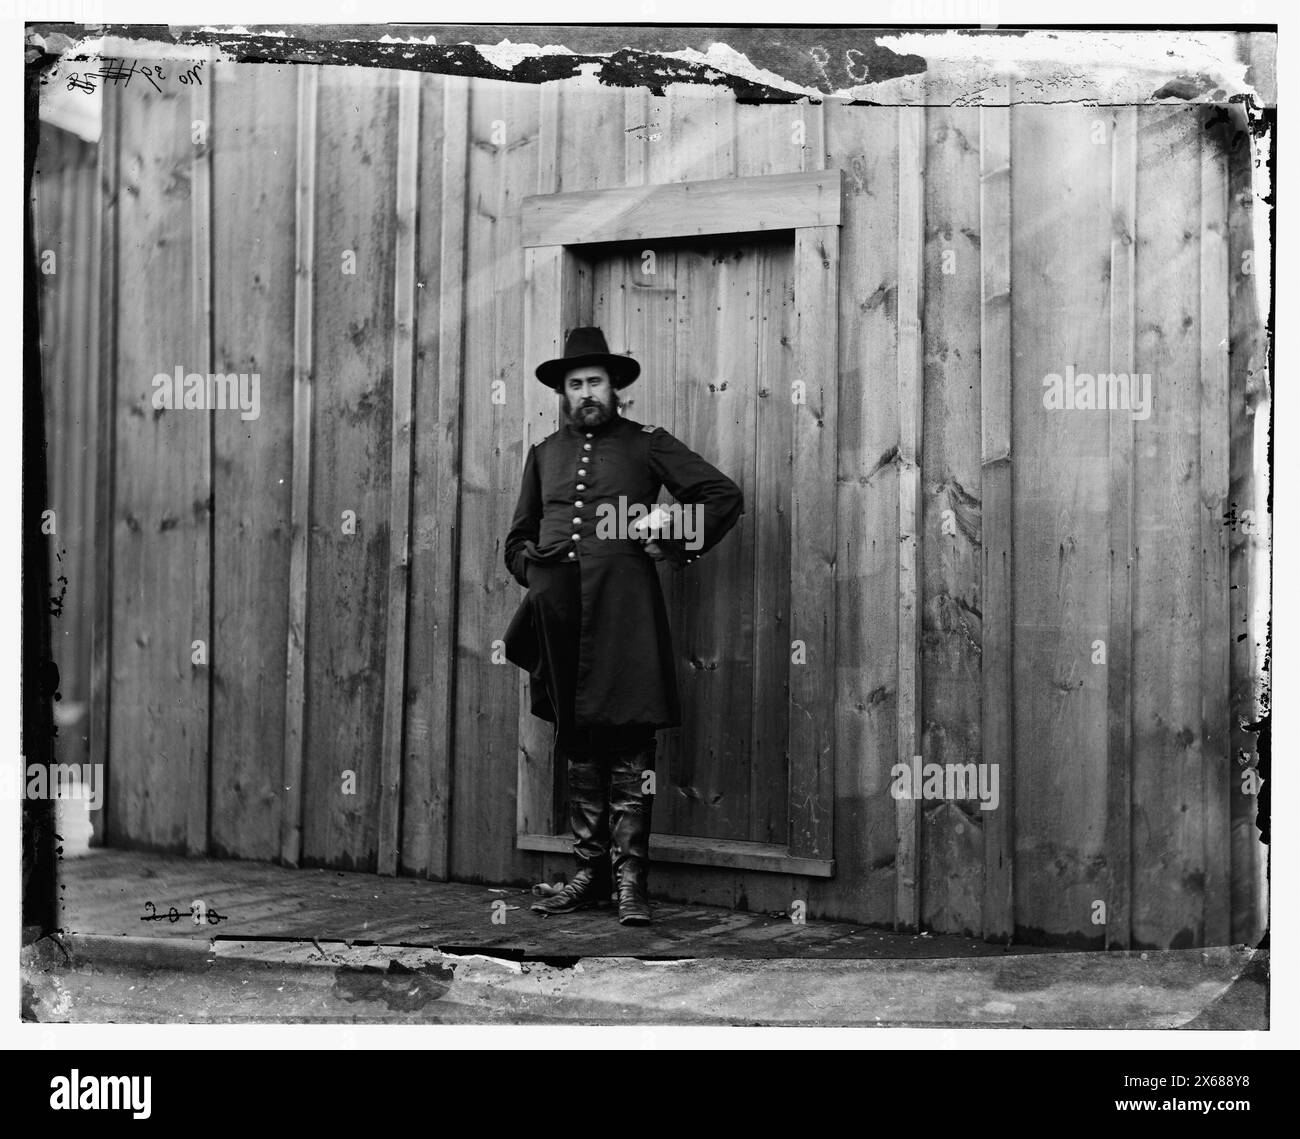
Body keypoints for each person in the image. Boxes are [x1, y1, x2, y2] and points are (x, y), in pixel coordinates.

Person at [503, 327, 743, 925]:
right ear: (563, 393)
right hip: (559, 616)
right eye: (575, 384)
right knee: (578, 743)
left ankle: (630, 881)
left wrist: (668, 535)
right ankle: (588, 876)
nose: (585, 393)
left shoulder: (646, 444)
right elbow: (516, 538)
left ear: (616, 390)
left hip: (625, 614)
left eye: (595, 382)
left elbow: (721, 494)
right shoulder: (543, 455)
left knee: (631, 746)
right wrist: (531, 571)